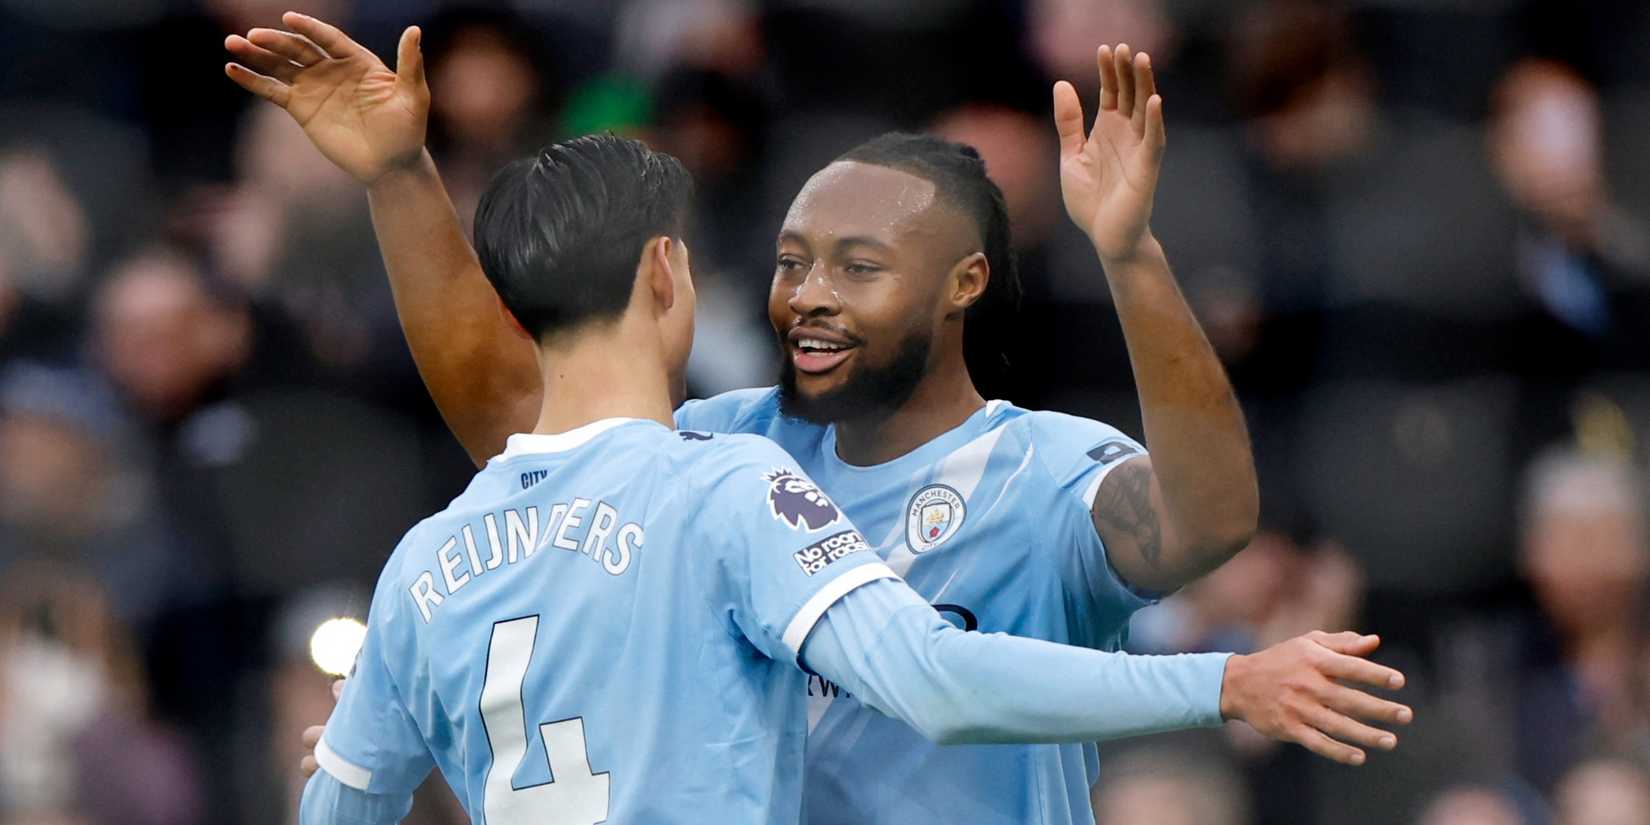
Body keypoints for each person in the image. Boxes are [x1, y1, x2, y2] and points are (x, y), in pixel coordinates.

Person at [223, 13, 1412, 825]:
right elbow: (521, 413)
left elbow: (1207, 523)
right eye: (793, 263)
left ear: (963, 285)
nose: (810, 296)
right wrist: (399, 179)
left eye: (857, 264)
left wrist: (1130, 255)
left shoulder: (1040, 467)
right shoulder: (726, 454)